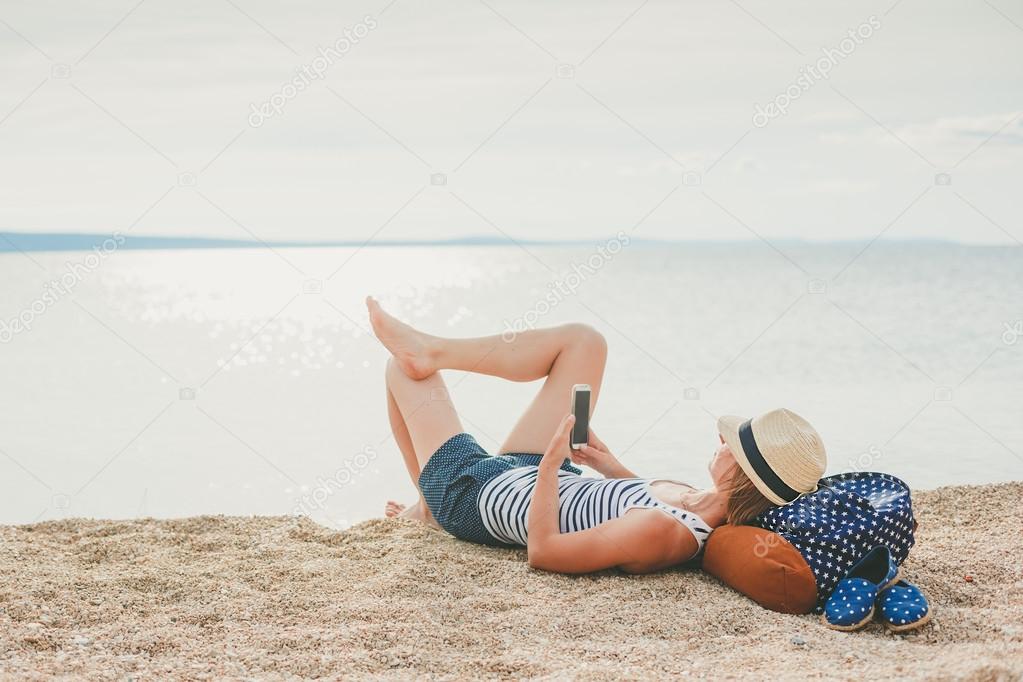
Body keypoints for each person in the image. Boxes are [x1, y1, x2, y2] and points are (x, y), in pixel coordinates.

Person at [368, 296, 827, 574]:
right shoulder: (695, 500)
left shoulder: (665, 533)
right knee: (585, 342)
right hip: (534, 477)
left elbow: (545, 552)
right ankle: (436, 350)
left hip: (475, 495)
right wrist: (605, 464)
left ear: (743, 477)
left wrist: (549, 466)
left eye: (733, 448)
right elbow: (629, 501)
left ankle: (431, 505)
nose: (723, 444)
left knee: (402, 372)